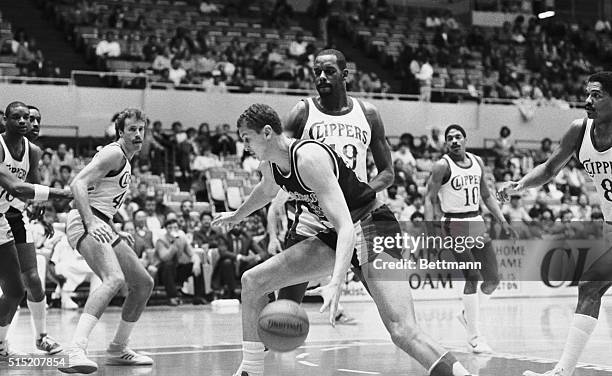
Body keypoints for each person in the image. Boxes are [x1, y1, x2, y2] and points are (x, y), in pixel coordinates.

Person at [214, 103, 475, 376]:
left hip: (375, 227)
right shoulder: (270, 164)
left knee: (403, 331)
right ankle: (251, 371)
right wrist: (236, 215)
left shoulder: (308, 158)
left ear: (267, 132)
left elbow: (347, 227)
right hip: (337, 233)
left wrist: (336, 282)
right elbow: (266, 191)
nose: (244, 146)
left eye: (247, 138)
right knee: (252, 281)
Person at [497, 71, 612, 376]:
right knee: (590, 288)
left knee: (590, 286)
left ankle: (563, 372)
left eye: (597, 95)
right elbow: (549, 168)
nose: (588, 100)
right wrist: (518, 185)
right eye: (587, 93)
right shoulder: (579, 131)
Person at [267, 49, 394, 323]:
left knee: (392, 309)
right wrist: (276, 202)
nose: (321, 77)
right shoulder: (302, 112)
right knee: (282, 315)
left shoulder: (368, 114)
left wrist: (359, 194)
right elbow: (278, 161)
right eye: (317, 72)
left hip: (358, 217)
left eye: (329, 71)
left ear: (345, 75)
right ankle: (255, 361)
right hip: (312, 219)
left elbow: (388, 173)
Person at [58, 108, 154, 374]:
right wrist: (91, 223)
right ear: (120, 132)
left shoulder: (126, 158)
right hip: (85, 220)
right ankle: (75, 349)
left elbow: (100, 197)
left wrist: (113, 228)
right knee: (114, 279)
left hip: (102, 222)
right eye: (132, 129)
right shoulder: (113, 153)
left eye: (141, 129)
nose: (137, 134)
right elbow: (77, 184)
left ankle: (118, 348)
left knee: (143, 283)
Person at [425, 124, 516, 354]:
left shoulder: (478, 162)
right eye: (449, 138)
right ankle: (474, 337)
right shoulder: (442, 166)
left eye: (458, 137)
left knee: (493, 280)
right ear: (446, 143)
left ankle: (467, 315)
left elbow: (486, 194)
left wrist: (503, 220)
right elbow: (429, 198)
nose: (454, 141)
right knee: (473, 275)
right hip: (453, 223)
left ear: (465, 139)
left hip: (476, 220)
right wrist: (430, 233)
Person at [0, 101, 73, 359]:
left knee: (31, 280)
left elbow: (34, 187)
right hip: (4, 214)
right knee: (14, 288)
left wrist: (41, 210)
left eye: (35, 120)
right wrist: (59, 192)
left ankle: (41, 337)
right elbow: (20, 188)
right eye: (26, 118)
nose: (32, 124)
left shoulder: (33, 151)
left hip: (14, 217)